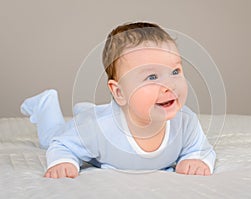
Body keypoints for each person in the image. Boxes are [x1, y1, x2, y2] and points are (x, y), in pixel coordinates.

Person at [20, 22, 216, 178]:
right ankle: (45, 104)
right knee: (50, 137)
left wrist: (196, 159)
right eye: (152, 77)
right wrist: (63, 162)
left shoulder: (185, 121)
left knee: (89, 119)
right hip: (94, 121)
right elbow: (62, 144)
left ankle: (85, 109)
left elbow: (199, 147)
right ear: (119, 93)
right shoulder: (99, 128)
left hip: (100, 116)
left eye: (175, 71)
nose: (170, 85)